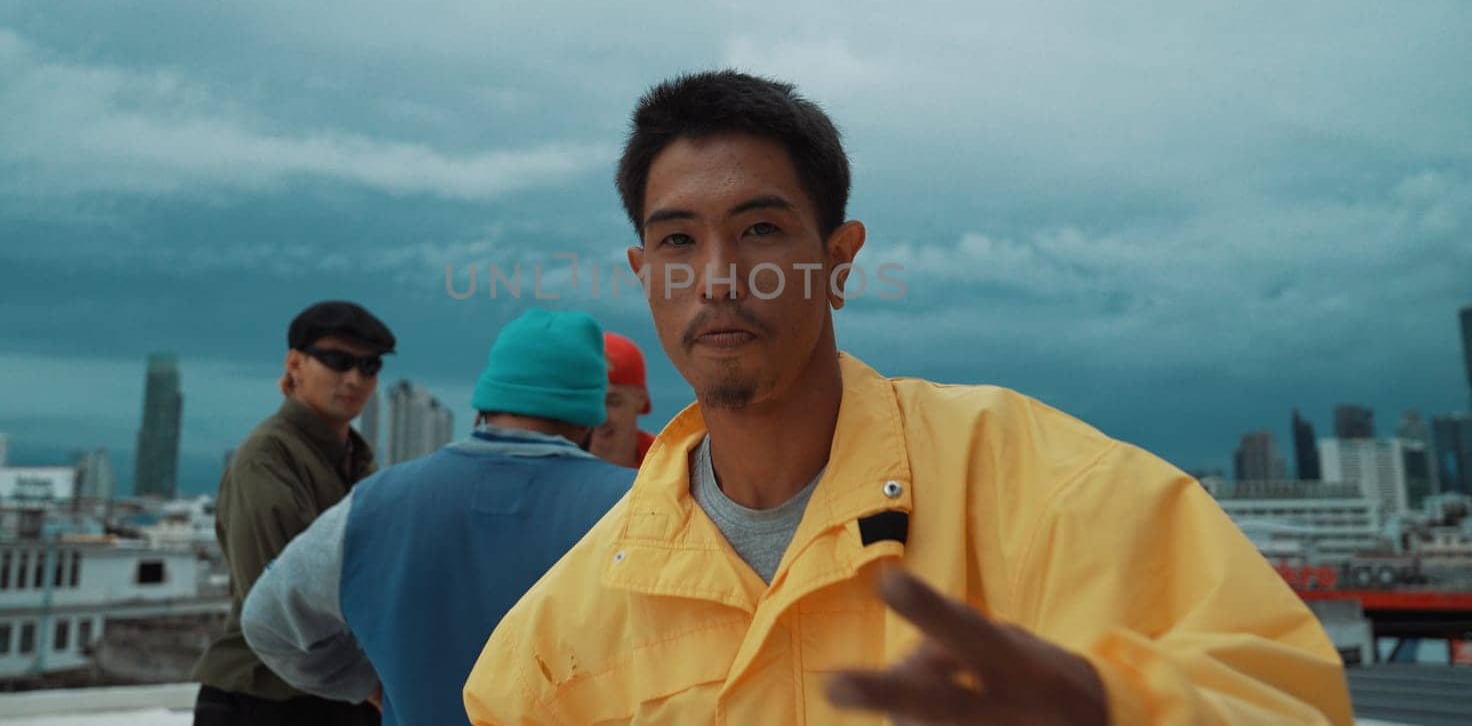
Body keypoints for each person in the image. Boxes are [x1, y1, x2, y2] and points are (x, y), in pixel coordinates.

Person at [464, 71, 1353, 724]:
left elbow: (1287, 695)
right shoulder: (561, 637)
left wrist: (1109, 707)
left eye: (761, 230)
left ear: (839, 260)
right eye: (677, 243)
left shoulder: (1041, 488)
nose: (718, 278)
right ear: (643, 275)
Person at [240, 309, 636, 726]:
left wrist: (367, 683)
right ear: (589, 416)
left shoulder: (372, 505)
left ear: (487, 401)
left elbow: (266, 623)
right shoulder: (636, 506)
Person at [191, 300, 392, 726]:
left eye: (370, 366)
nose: (355, 378)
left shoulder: (358, 462)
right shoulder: (268, 459)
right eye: (338, 361)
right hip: (265, 699)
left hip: (340, 695)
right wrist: (370, 684)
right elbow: (282, 603)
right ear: (295, 365)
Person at [588, 331, 658, 468]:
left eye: (613, 402)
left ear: (640, 400)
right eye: (590, 402)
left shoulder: (671, 465)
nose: (600, 417)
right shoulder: (554, 466)